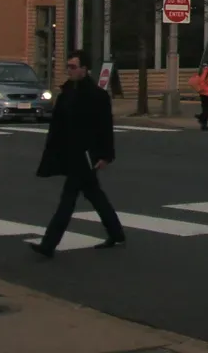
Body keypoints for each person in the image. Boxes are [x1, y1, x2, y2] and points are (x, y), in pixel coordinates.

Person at [28, 51, 124, 259]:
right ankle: (116, 233)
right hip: (71, 154)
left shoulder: (97, 96)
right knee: (95, 195)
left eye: (73, 67)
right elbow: (59, 127)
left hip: (86, 156)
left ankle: (48, 245)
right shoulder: (66, 93)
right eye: (68, 67)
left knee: (67, 200)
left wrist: (105, 155)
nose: (69, 70)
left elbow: (105, 128)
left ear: (84, 69)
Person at [191, 59, 208, 131]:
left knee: (206, 109)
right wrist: (205, 89)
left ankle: (203, 124)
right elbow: (202, 80)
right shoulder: (207, 70)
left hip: (206, 93)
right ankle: (201, 118)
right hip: (205, 93)